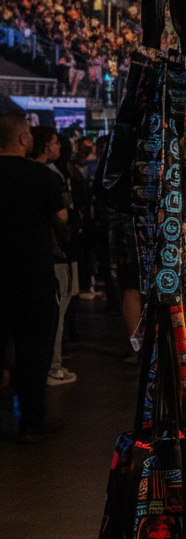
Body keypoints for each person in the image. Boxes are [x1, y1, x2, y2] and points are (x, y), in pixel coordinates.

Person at [0, 112, 68, 443]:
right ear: (23, 139)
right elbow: (62, 216)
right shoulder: (39, 175)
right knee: (34, 350)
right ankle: (31, 420)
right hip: (32, 274)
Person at [30, 127, 79, 386]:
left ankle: (44, 367)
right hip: (57, 252)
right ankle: (52, 367)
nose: (59, 147)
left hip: (38, 252)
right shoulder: (48, 174)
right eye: (55, 143)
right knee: (57, 311)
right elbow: (62, 214)